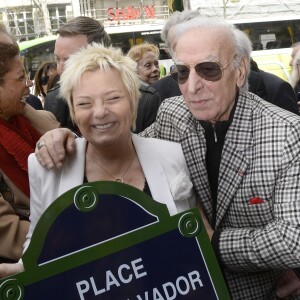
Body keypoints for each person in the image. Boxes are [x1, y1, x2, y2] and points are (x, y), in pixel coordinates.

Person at [33, 14, 300, 299]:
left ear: (240, 70)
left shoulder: (285, 133)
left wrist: (212, 241)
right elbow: (122, 142)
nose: (193, 86)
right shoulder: (174, 113)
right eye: (182, 72)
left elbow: (294, 240)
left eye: (209, 70)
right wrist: (64, 139)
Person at [0, 44, 195, 277]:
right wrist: (22, 272)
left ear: (133, 101)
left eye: (113, 98)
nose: (100, 112)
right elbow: (40, 246)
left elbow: (193, 240)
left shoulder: (172, 156)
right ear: (72, 110)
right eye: (84, 103)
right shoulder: (48, 170)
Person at [0, 42, 59, 264]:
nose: (30, 83)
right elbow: (8, 233)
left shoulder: (18, 117)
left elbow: (57, 132)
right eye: (20, 78)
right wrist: (65, 237)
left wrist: (20, 103)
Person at [44, 16, 111, 130]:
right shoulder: (53, 100)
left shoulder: (143, 100)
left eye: (69, 60)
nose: (60, 69)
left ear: (101, 57)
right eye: (58, 59)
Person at [127, 43, 162, 133]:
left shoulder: (128, 91)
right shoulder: (151, 96)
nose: (155, 69)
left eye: (156, 64)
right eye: (148, 65)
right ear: (134, 70)